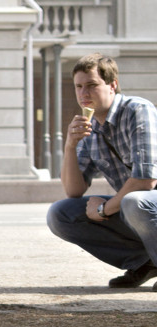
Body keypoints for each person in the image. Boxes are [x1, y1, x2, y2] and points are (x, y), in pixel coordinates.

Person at [47, 54, 157, 288]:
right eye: (79, 87)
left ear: (112, 85)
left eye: (92, 85)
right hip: (137, 208)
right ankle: (145, 262)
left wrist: (103, 208)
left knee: (134, 202)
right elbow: (73, 190)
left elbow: (146, 180)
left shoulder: (138, 110)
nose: (84, 94)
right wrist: (70, 145)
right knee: (61, 214)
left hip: (147, 202)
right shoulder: (90, 129)